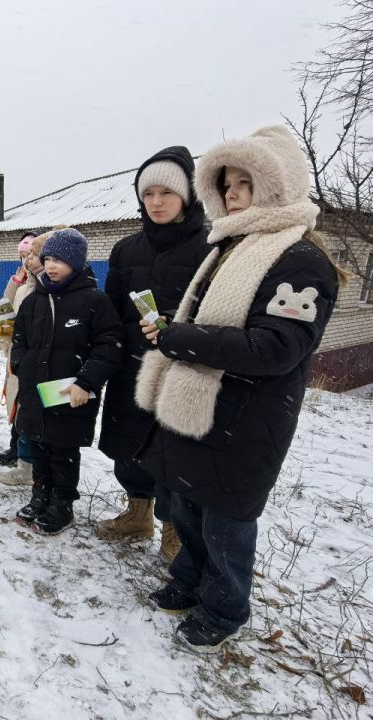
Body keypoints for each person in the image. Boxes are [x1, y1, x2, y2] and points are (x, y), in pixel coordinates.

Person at [135, 125, 344, 651]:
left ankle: (225, 607)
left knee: (226, 522)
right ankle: (189, 579)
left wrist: (180, 338)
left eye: (244, 183)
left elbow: (276, 349)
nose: (230, 194)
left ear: (275, 186)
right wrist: (171, 330)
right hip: (197, 405)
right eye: (226, 184)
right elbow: (214, 325)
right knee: (188, 504)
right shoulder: (230, 247)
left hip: (246, 417)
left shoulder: (300, 260)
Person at [95, 148, 212, 562]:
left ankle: (173, 530)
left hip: (182, 370)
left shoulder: (211, 247)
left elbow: (219, 315)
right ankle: (137, 514)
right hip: (131, 366)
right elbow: (110, 310)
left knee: (172, 456)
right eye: (149, 194)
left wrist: (178, 329)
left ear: (188, 196)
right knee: (128, 448)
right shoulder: (127, 250)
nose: (157, 202)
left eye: (167, 192)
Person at [10, 228, 122, 535]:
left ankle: (61, 504)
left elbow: (109, 345)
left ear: (76, 262)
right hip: (36, 390)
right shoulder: (35, 300)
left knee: (62, 452)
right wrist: (21, 364)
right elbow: (19, 338)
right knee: (38, 447)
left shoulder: (94, 301)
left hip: (70, 392)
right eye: (47, 258)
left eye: (60, 259)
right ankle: (40, 495)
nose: (51, 265)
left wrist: (86, 382)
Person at [0, 233, 50, 485]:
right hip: (18, 357)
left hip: (39, 362)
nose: (28, 260)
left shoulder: (47, 288)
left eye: (33, 254)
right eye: (24, 255)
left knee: (33, 416)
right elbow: (8, 308)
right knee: (19, 410)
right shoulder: (25, 285)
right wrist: (5, 329)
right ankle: (23, 462)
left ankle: (36, 470)